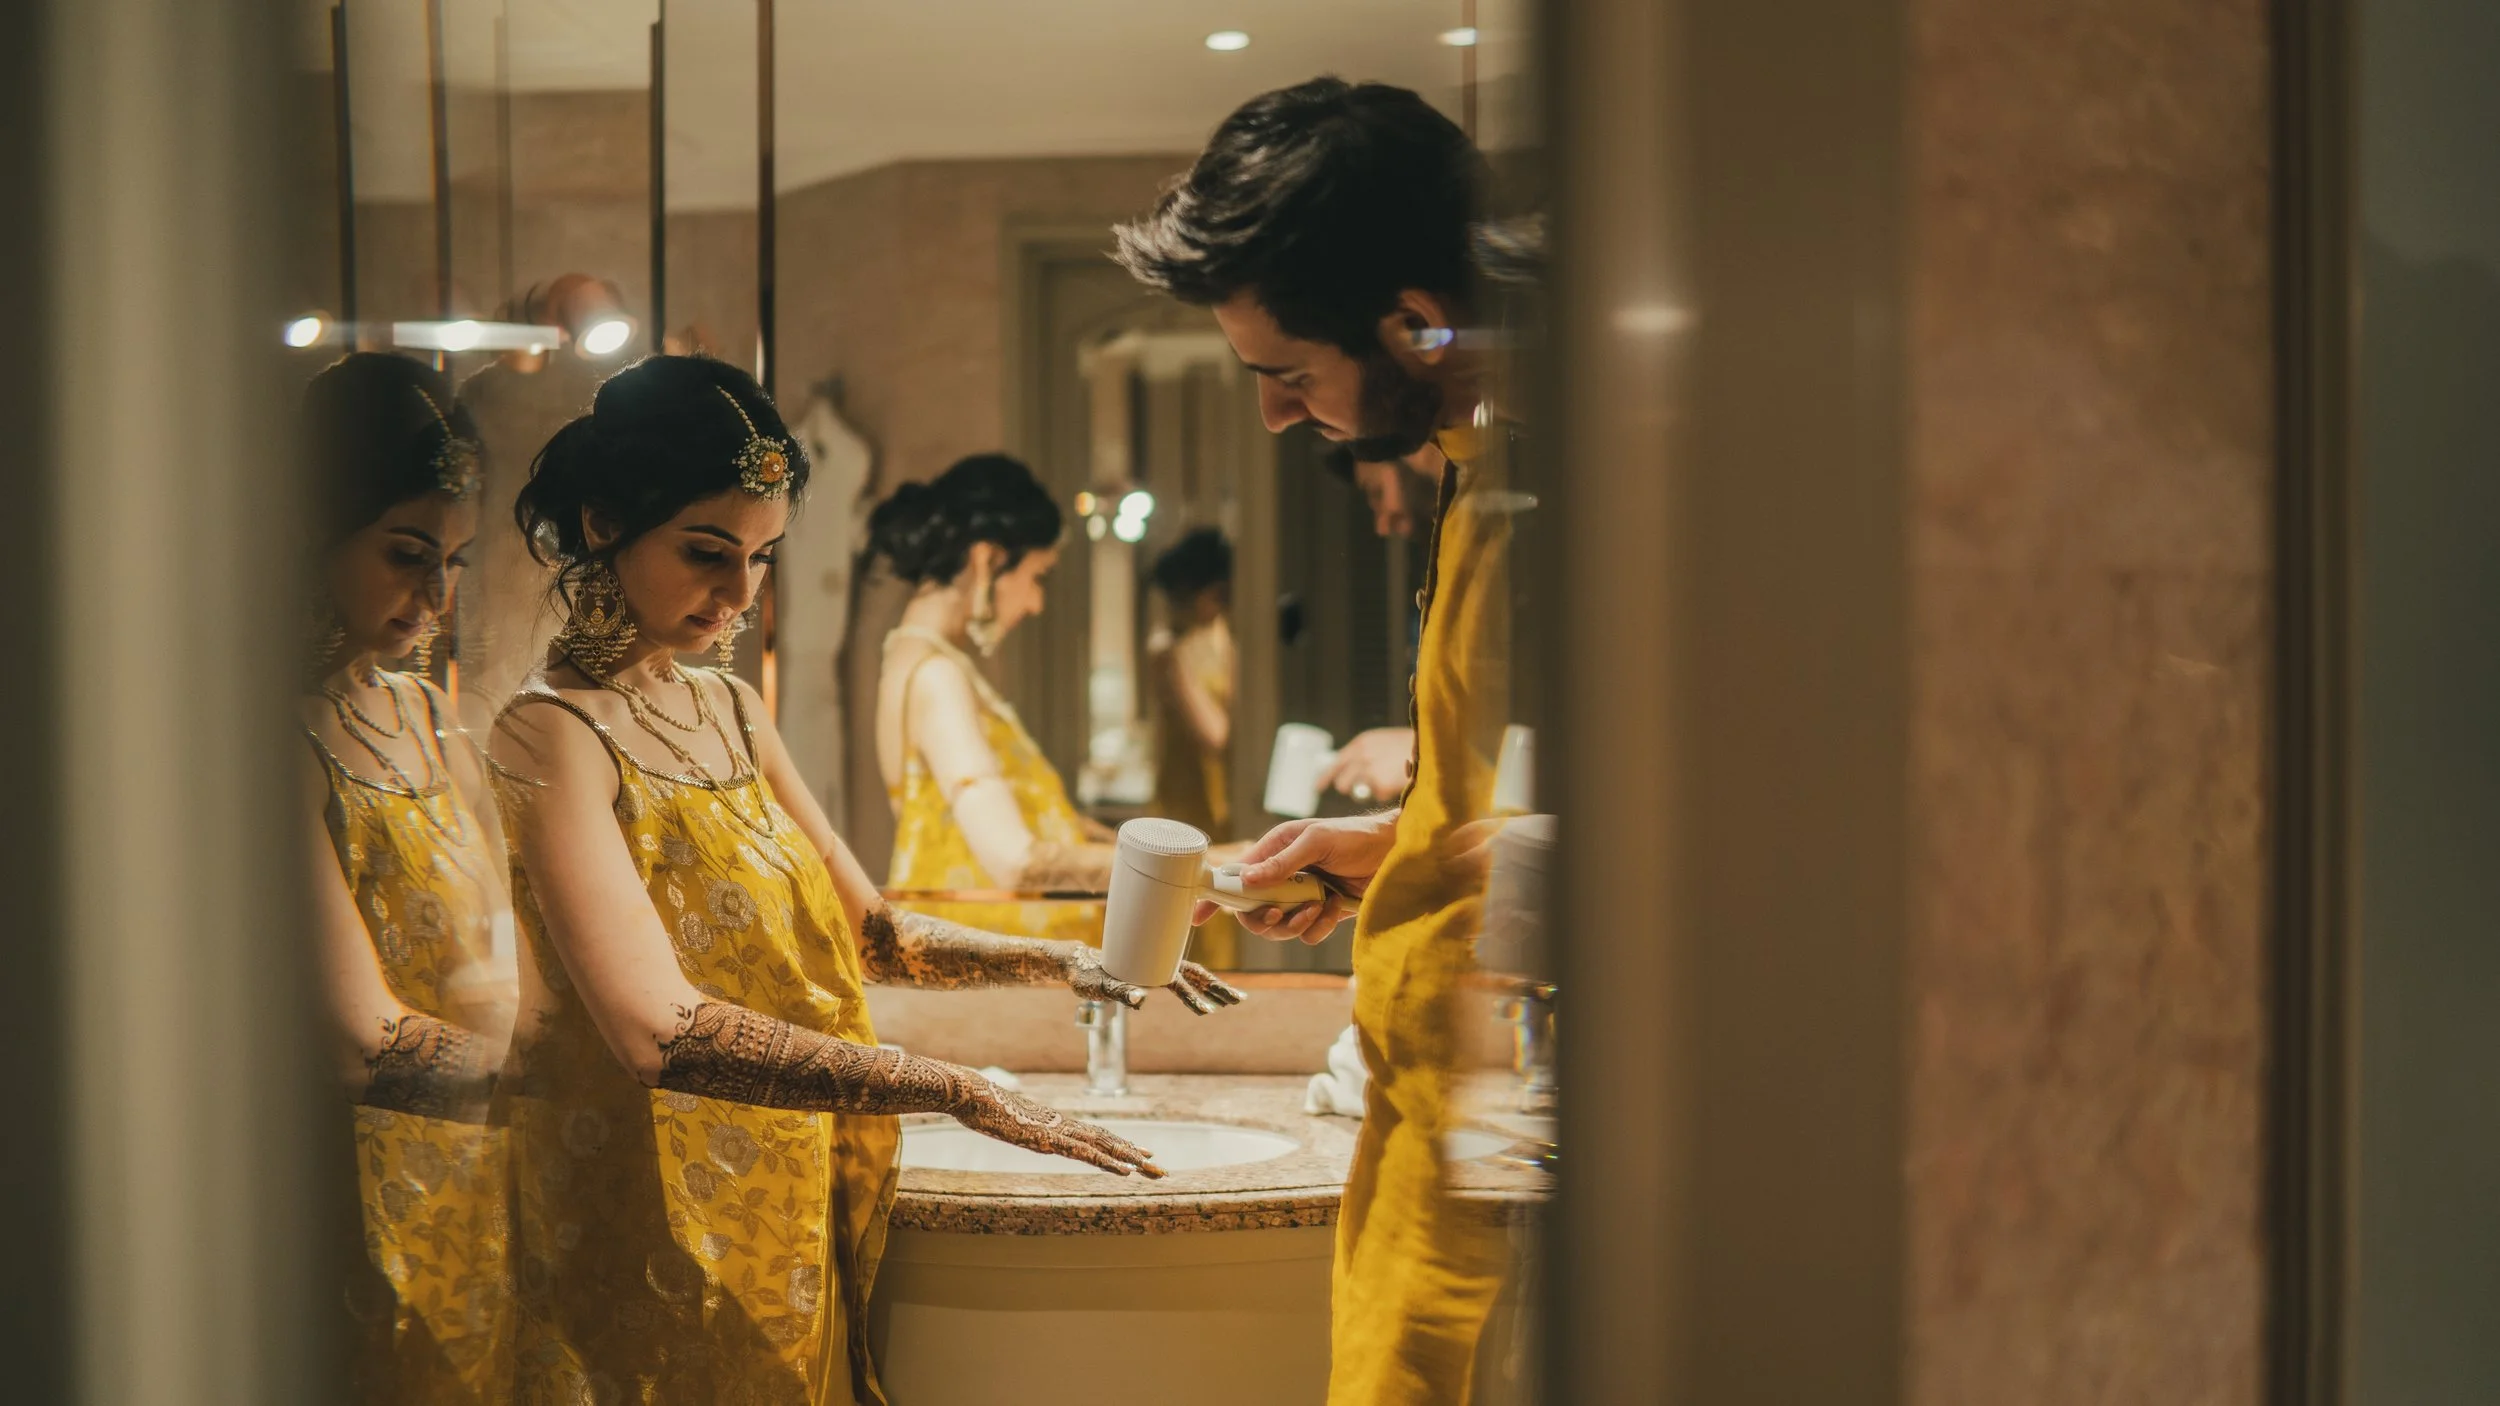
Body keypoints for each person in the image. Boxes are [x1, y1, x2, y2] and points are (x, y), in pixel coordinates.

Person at [489, 359, 1241, 1405]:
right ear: (603, 522)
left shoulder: (729, 709)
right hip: (644, 1214)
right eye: (706, 552)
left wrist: (1073, 961)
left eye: (760, 557)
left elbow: (874, 935)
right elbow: (658, 1031)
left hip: (783, 1194)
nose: (739, 594)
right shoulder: (548, 732)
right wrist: (953, 1086)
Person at [1117, 77, 1520, 1405]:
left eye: (1289, 374)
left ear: (1411, 320)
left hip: (1506, 1158)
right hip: (1426, 1143)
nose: (1279, 418)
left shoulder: (1590, 487)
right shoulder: (1485, 473)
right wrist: (1398, 850)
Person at [297, 352, 516, 1402]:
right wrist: (561, 1080)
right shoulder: (260, 734)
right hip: (343, 1196)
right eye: (405, 553)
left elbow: (504, 943)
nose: (436, 595)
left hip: (481, 1173)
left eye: (456, 561)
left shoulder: (428, 715)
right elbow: (359, 1039)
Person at [872, 456, 1248, 945]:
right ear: (987, 559)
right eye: (1038, 576)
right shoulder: (936, 676)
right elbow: (1018, 862)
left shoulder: (918, 661)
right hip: (989, 959)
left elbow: (1048, 828)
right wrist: (1204, 866)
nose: (1036, 603)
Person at [1149, 527, 1241, 967]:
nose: (1176, 611)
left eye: (1182, 599)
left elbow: (1217, 735)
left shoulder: (1224, 644)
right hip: (1183, 805)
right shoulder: (1192, 643)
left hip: (1219, 810)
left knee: (1215, 927)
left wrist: (1172, 668)